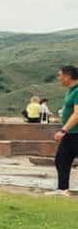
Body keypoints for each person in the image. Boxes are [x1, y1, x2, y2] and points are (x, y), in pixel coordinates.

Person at [48, 66, 78, 196]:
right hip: (71, 134)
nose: (59, 78)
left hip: (74, 133)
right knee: (62, 160)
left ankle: (62, 189)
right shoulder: (70, 91)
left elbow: (77, 114)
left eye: (60, 75)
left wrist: (63, 130)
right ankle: (62, 189)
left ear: (68, 76)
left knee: (63, 159)